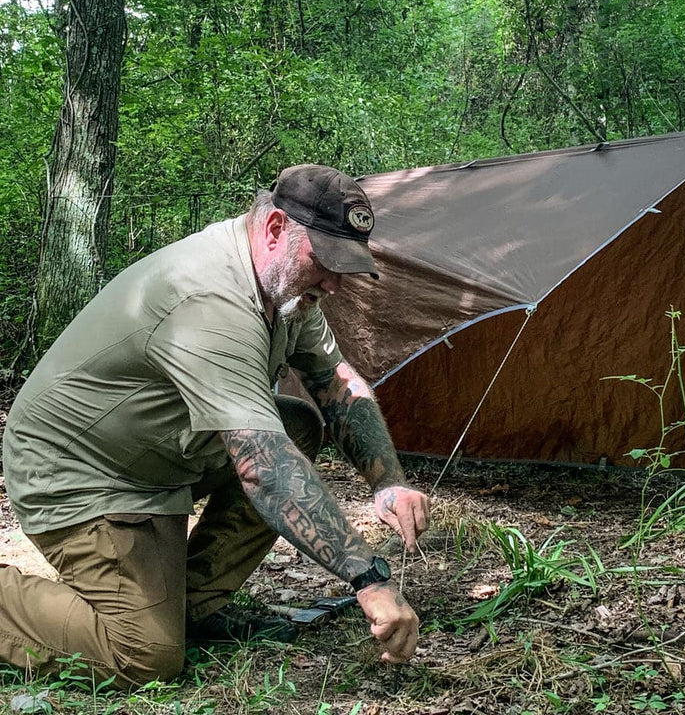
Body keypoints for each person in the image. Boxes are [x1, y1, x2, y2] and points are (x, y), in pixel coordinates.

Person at [0, 164, 430, 689]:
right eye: (326, 261)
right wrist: (369, 578)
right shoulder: (208, 297)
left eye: (346, 266)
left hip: (154, 461)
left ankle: (188, 609)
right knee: (143, 657)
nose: (335, 283)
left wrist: (389, 482)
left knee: (295, 424)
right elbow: (262, 470)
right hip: (80, 475)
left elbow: (334, 382)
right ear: (274, 229)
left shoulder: (286, 291)